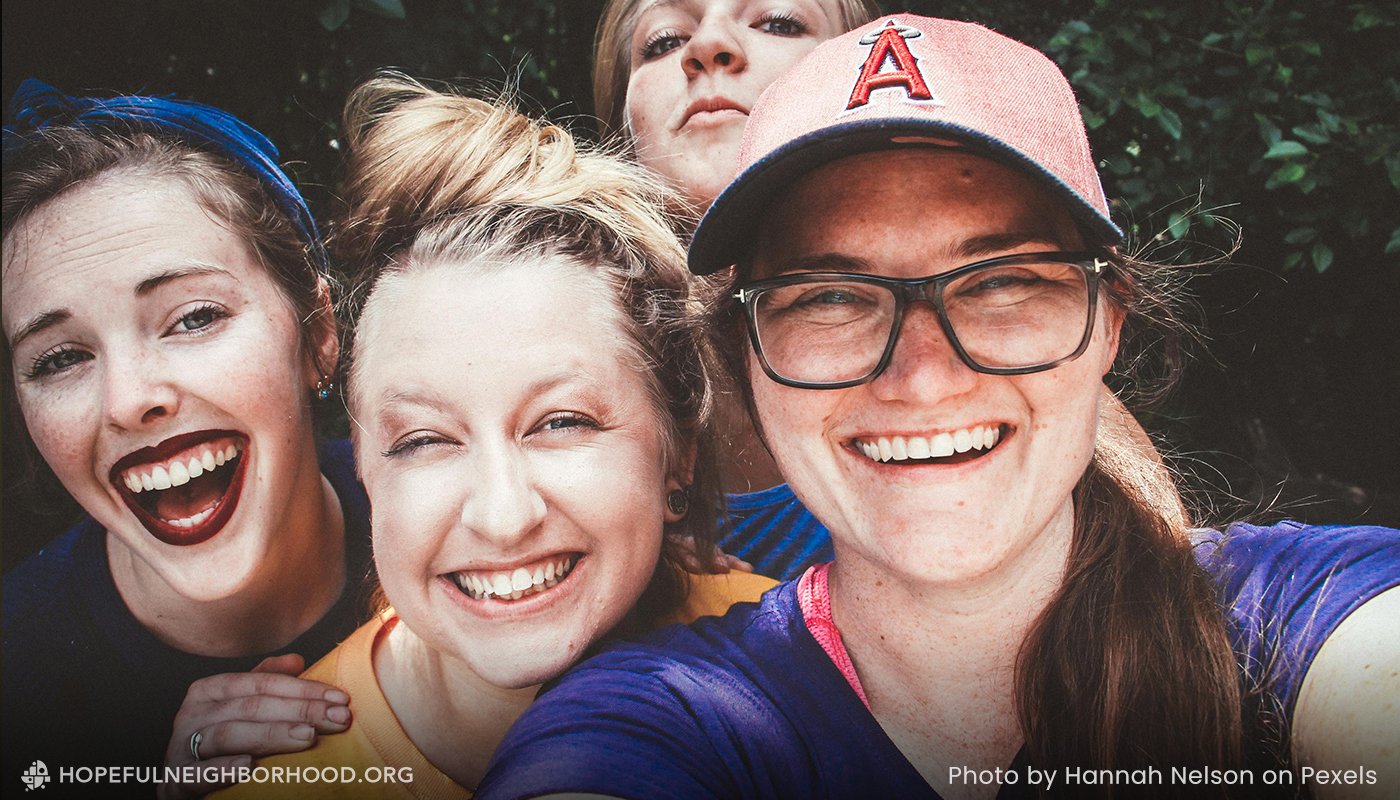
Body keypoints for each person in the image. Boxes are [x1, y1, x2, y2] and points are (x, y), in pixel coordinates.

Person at [476, 15, 1400, 800]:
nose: (922, 376)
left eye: (1002, 282)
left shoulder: (1300, 617)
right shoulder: (666, 720)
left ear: (1107, 323)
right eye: (829, 297)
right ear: (743, 358)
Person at [209, 75, 775, 798]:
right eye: (423, 440)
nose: (503, 518)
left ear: (679, 453)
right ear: (364, 472)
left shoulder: (803, 665)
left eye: (561, 423)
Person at [591, 0, 1185, 580]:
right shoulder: (570, 367)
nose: (708, 46)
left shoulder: (1062, 409)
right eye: (664, 40)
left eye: (778, 21)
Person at [2, 82, 367, 798]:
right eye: (60, 358)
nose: (130, 401)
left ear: (317, 333)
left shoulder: (460, 516)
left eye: (193, 317)